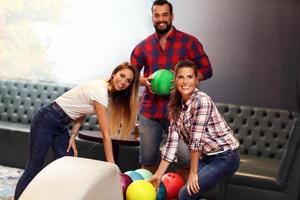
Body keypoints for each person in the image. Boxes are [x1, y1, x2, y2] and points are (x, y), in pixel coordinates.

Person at [14, 62, 140, 199]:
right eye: (121, 76)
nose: (123, 82)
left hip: (60, 125)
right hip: (46, 119)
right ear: (114, 73)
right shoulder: (100, 91)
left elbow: (82, 108)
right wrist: (113, 167)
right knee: (33, 167)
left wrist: (73, 134)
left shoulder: (104, 89)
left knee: (70, 165)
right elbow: (105, 134)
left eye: (128, 81)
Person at [130, 0, 213, 173]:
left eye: (165, 15)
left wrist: (185, 81)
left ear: (172, 16)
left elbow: (207, 69)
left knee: (185, 158)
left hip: (181, 111)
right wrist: (146, 81)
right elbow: (131, 75)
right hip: (150, 111)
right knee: (148, 158)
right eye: (157, 15)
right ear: (152, 17)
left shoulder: (189, 42)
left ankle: (182, 196)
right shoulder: (143, 46)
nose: (161, 19)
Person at [149, 60, 240, 200]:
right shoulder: (175, 105)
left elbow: (195, 141)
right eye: (181, 77)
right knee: (190, 193)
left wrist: (193, 173)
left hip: (226, 156)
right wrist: (158, 174)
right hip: (208, 157)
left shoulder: (202, 101)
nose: (185, 81)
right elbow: (172, 143)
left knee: (185, 194)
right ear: (175, 80)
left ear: (197, 80)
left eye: (190, 77)